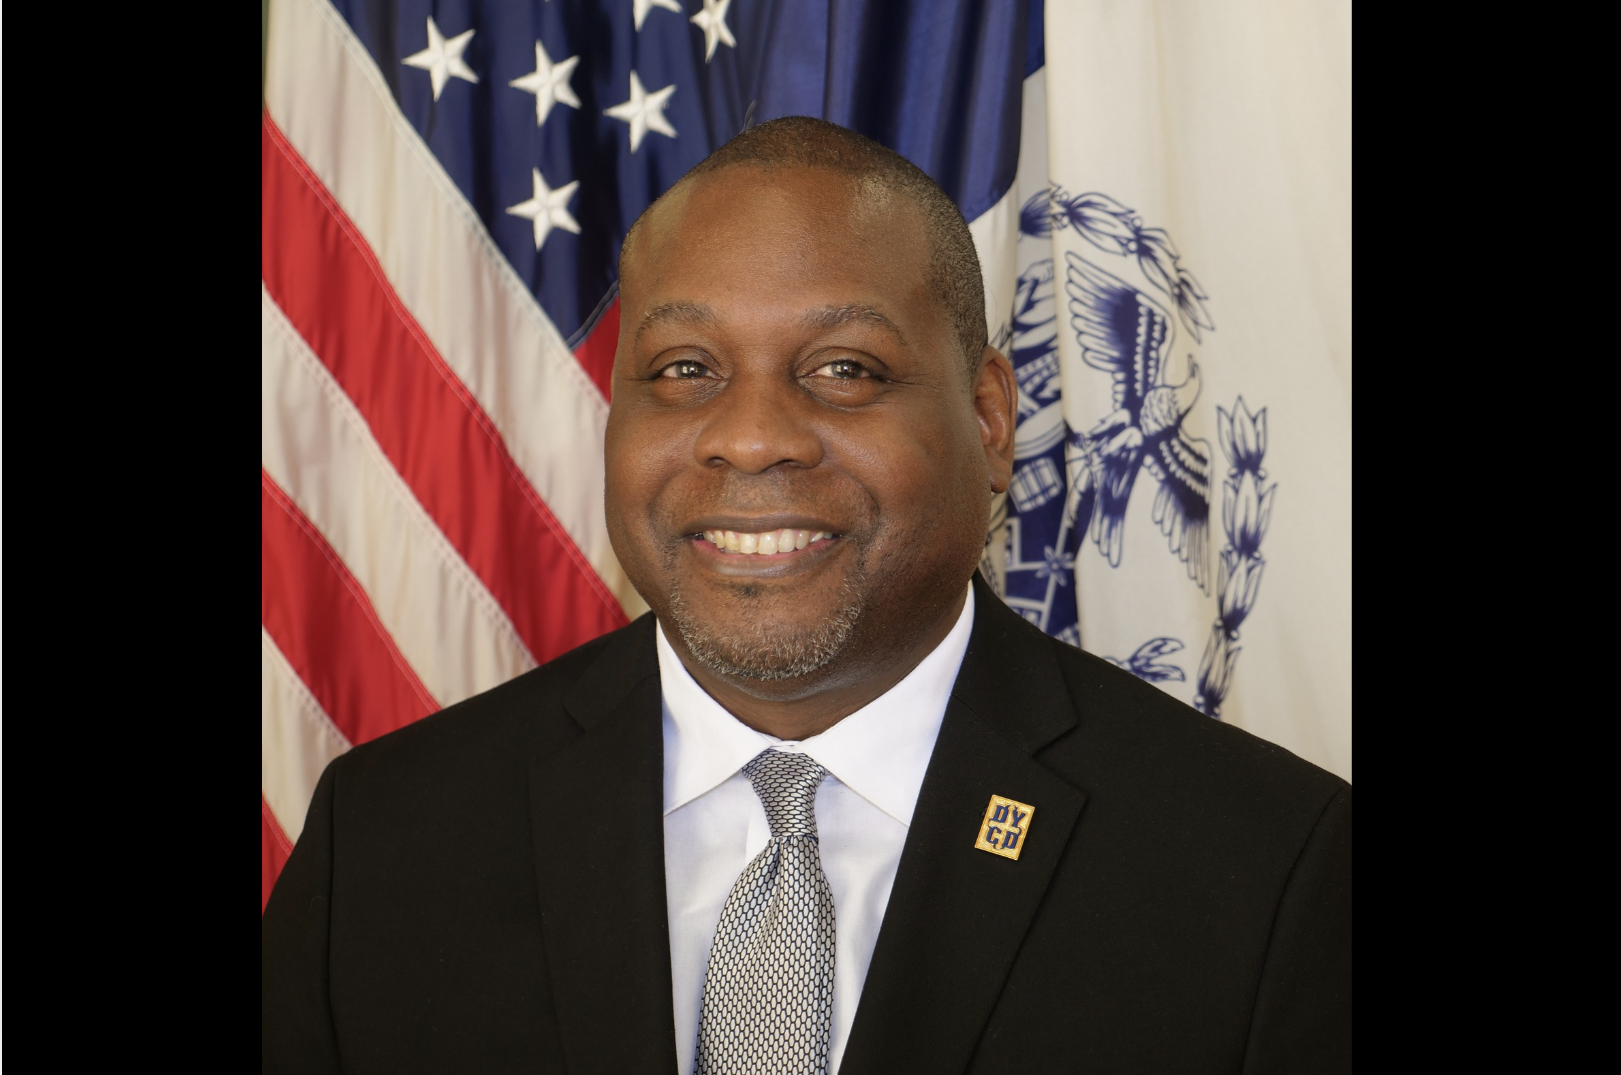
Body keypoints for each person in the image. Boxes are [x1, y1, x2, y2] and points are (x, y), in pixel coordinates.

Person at [262, 116, 1350, 1074]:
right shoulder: (385, 844)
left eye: (843, 369)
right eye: (685, 368)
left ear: (986, 419)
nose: (750, 436)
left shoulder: (1267, 873)